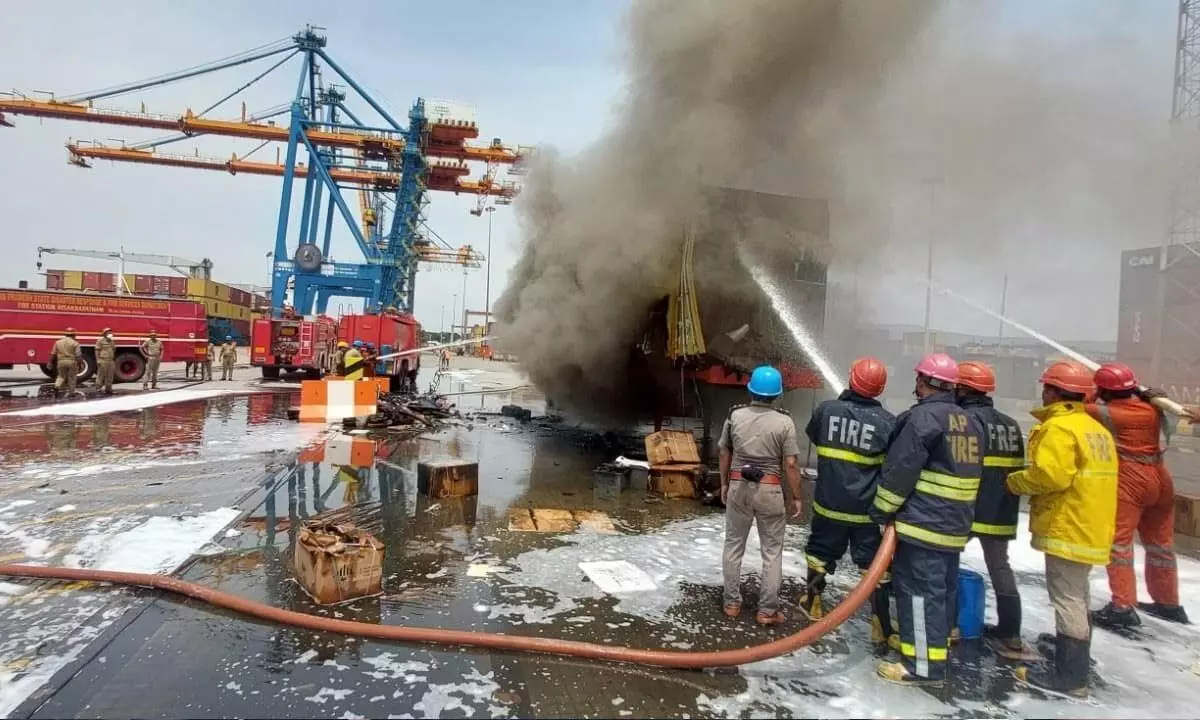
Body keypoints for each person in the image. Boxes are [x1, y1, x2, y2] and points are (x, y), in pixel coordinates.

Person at [870, 353, 984, 687]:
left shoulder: (920, 420)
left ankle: (921, 666)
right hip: (955, 524)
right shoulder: (970, 422)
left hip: (923, 523)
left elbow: (899, 472)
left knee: (918, 594)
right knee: (942, 592)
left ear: (924, 382)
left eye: (919, 378)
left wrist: (882, 512)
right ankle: (936, 649)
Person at [1005, 361, 1118, 698]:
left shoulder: (1060, 429)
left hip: (1068, 525)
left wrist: (1014, 481)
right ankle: (1077, 660)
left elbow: (1051, 476)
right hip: (1092, 524)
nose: (1043, 391)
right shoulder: (1095, 429)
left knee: (1067, 598)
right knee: (1078, 596)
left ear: (1053, 391)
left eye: (1046, 386)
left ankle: (1070, 678)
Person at [800, 357, 897, 652]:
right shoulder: (889, 423)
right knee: (874, 567)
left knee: (819, 554)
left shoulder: (827, 411)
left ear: (852, 378)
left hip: (829, 504)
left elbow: (815, 436)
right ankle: (880, 623)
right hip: (867, 512)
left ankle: (813, 602)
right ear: (880, 388)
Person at [1086, 362, 1190, 630]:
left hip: (1131, 478)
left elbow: (1071, 407)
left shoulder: (1107, 412)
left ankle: (1122, 607)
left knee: (1119, 544)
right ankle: (1168, 603)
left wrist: (1091, 392)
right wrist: (1148, 395)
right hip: (1160, 476)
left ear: (1105, 392)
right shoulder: (1151, 407)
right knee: (1160, 545)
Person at [955, 360, 1030, 659]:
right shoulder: (1011, 426)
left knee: (945, 563)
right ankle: (1011, 632)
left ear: (963, 389)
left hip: (968, 508)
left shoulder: (965, 422)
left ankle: (950, 625)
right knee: (1000, 567)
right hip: (1001, 511)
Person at [720, 365, 803, 625]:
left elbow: (725, 453)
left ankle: (731, 603)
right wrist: (796, 496)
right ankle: (767, 611)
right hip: (770, 490)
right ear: (777, 394)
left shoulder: (734, 416)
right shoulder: (785, 422)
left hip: (738, 486)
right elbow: (790, 464)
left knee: (733, 547)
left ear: (750, 389)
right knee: (772, 552)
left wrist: (723, 484)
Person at [52, 328, 83, 397]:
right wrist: (80, 364)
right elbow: (78, 355)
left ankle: (57, 386)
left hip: (61, 362)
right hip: (72, 362)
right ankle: (71, 393)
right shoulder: (75, 343)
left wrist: (50, 362)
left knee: (61, 376)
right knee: (72, 378)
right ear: (74, 335)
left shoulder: (58, 342)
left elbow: (53, 354)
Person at [95, 327, 116, 395]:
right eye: (108, 332)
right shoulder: (100, 341)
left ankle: (108, 389)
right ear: (104, 334)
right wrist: (98, 360)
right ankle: (98, 388)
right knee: (101, 375)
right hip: (103, 360)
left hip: (111, 360)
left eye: (110, 332)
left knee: (110, 375)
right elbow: (97, 351)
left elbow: (113, 349)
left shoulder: (112, 341)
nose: (110, 334)